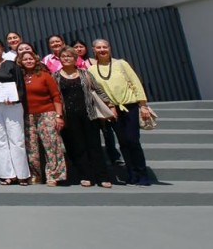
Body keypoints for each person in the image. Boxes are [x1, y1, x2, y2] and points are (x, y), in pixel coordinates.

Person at [89, 38, 153, 185]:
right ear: (94, 50)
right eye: (98, 48)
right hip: (112, 110)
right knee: (123, 142)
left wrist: (143, 105)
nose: (102, 50)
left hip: (129, 106)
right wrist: (108, 107)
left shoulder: (121, 64)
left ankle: (142, 173)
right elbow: (96, 92)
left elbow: (135, 83)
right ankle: (131, 173)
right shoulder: (92, 70)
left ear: (109, 48)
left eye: (105, 47)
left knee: (133, 140)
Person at [54, 46, 113, 187]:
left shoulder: (84, 73)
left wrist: (110, 105)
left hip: (89, 114)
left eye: (70, 56)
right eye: (64, 56)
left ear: (75, 59)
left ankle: (102, 177)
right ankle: (85, 175)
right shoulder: (55, 76)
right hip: (69, 116)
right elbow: (55, 97)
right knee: (77, 147)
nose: (66, 58)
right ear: (60, 59)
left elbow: (98, 90)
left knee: (94, 146)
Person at [0, 36, 30, 185]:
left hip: (12, 105)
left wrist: (15, 98)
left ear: (2, 49)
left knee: (16, 138)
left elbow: (20, 86)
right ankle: (7, 174)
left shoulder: (12, 65)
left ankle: (22, 174)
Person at [18, 48, 67, 186]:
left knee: (52, 144)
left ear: (35, 60)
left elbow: (56, 96)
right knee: (31, 147)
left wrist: (58, 116)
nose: (28, 61)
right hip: (27, 115)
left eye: (30, 58)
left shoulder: (45, 75)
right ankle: (36, 175)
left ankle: (54, 175)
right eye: (25, 59)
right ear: (20, 62)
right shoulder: (19, 77)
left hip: (47, 113)